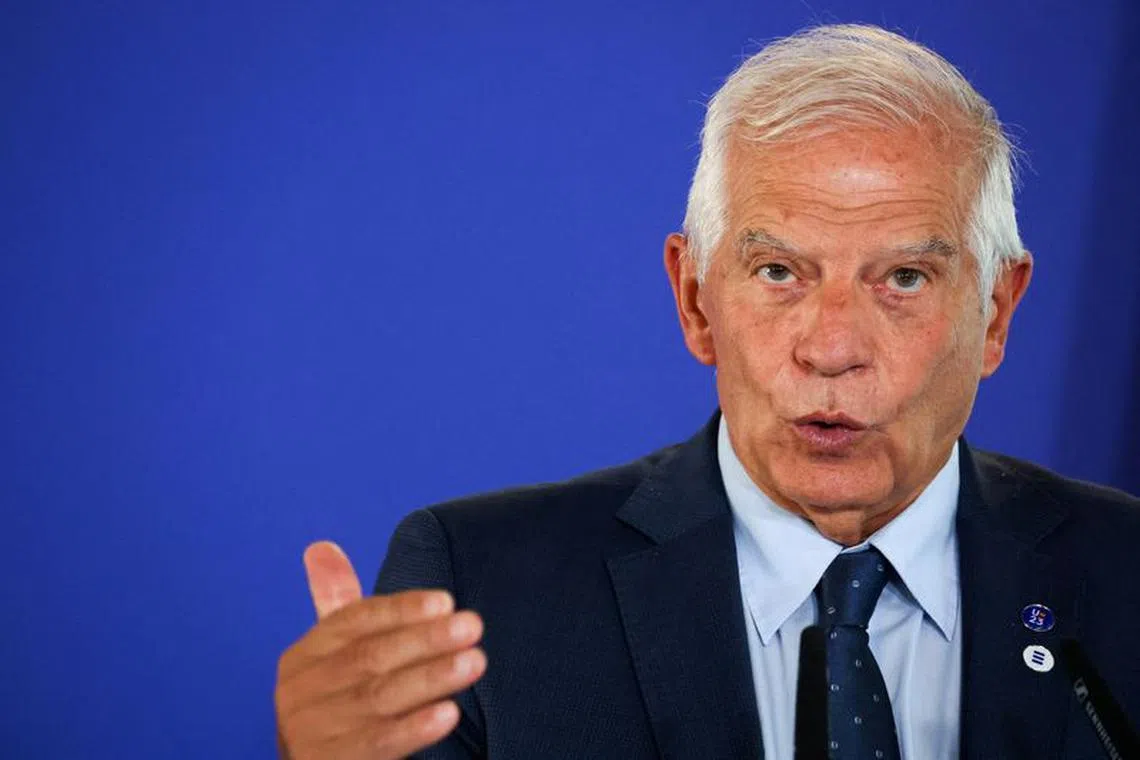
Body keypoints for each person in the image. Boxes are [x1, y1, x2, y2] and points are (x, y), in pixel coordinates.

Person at [274, 23, 1140, 760]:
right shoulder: (480, 589)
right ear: (695, 300)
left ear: (996, 313)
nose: (832, 348)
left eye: (905, 278)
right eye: (777, 271)